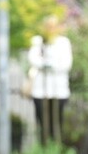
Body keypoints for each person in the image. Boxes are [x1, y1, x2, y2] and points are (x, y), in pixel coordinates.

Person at [27, 15, 73, 145]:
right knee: (42, 122)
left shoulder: (63, 42)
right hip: (40, 90)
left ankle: (56, 148)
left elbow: (66, 64)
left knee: (57, 122)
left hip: (59, 90)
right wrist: (45, 64)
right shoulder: (38, 41)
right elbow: (33, 59)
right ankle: (44, 148)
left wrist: (51, 65)